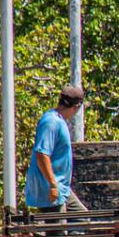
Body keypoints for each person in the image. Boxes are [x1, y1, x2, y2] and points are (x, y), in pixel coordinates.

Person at [23, 84, 87, 212]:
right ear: (76, 107)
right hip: (50, 187)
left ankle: (74, 233)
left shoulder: (58, 119)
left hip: (61, 187)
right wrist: (52, 185)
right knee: (57, 229)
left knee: (81, 217)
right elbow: (42, 154)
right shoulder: (51, 122)